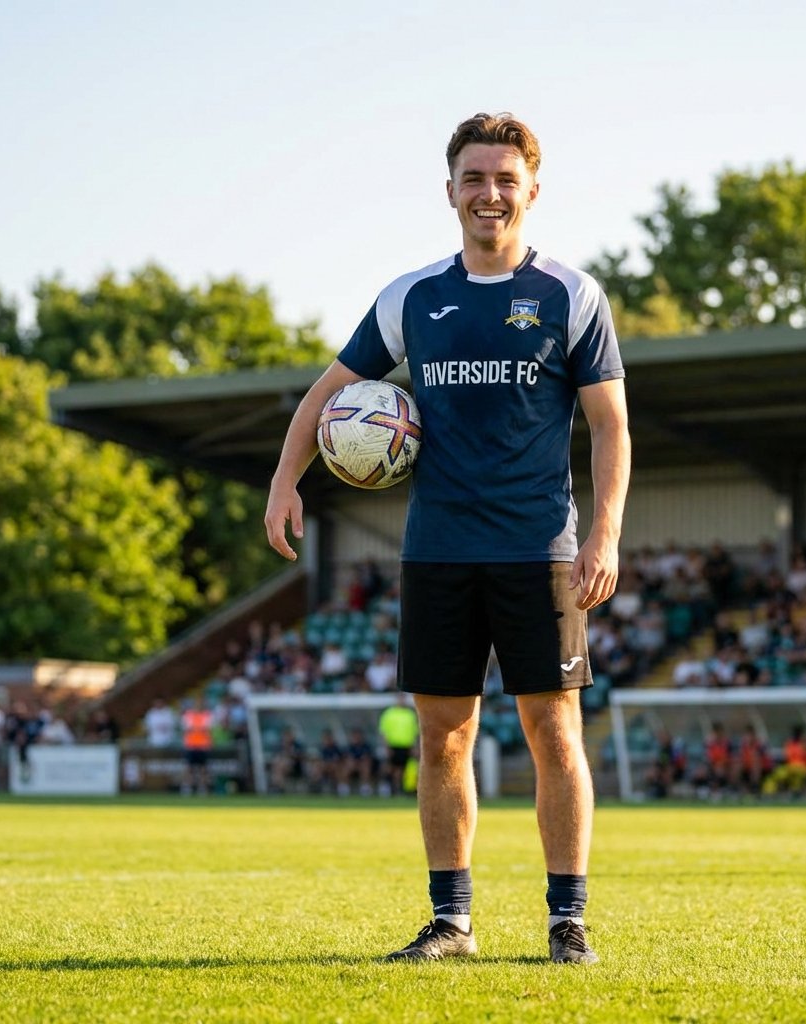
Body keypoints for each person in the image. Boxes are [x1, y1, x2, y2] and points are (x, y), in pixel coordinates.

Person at [265, 112, 631, 964]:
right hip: (437, 549)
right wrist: (286, 479)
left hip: (541, 548)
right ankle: (451, 922)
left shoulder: (571, 296)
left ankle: (566, 921)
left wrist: (604, 533)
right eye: (475, 178)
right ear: (450, 191)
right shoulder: (411, 297)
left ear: (531, 191)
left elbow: (610, 426)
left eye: (506, 179)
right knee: (444, 736)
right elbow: (326, 393)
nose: (490, 194)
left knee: (554, 730)